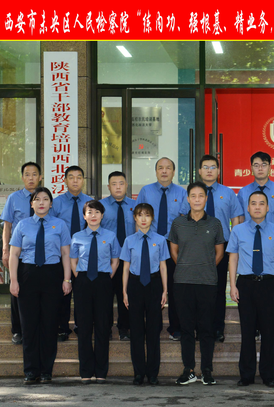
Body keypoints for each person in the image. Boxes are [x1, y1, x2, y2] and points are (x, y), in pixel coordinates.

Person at [8, 187, 72, 384]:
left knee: (49, 324)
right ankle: (30, 371)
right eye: (37, 199)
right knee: (29, 326)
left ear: (51, 204)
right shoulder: (22, 225)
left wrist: (67, 279)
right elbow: (14, 255)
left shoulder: (60, 225)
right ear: (32, 204)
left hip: (53, 275)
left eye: (45, 199)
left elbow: (66, 254)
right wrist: (13, 280)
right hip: (28, 275)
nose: (41, 202)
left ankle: (46, 371)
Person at [228, 191, 274, 388]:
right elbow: (233, 258)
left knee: (268, 332)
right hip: (245, 284)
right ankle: (246, 375)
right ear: (247, 208)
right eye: (253, 203)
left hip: (268, 284)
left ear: (267, 207)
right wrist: (232, 285)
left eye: (261, 203)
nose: (257, 207)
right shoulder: (238, 230)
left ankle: (268, 375)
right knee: (247, 332)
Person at [169, 181, 225, 386]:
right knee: (186, 328)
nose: (197, 199)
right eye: (193, 196)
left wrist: (205, 266)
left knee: (206, 328)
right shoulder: (178, 223)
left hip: (207, 282)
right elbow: (173, 250)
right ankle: (189, 370)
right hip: (183, 282)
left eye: (201, 196)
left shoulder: (215, 223)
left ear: (206, 199)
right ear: (188, 199)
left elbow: (219, 252)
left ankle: (207, 370)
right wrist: (187, 266)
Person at [136, 157, 190, 341]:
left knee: (174, 287)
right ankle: (153, 328)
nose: (164, 171)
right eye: (160, 168)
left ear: (173, 172)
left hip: (173, 244)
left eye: (168, 168)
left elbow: (185, 221)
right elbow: (138, 219)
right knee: (151, 285)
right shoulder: (146, 191)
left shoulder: (182, 193)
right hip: (149, 243)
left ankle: (176, 328)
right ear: (156, 171)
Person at [70, 200, 121, 384]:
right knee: (84, 328)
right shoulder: (77, 236)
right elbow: (73, 260)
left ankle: (101, 371)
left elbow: (115, 260)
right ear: (84, 216)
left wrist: (107, 277)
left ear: (102, 215)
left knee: (102, 326)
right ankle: (85, 371)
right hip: (83, 281)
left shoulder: (111, 236)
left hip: (103, 281)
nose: (93, 215)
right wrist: (79, 277)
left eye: (97, 212)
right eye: (89, 212)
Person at [121, 203, 169, 386]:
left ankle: (153, 373)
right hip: (135, 285)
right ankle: (139, 373)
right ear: (135, 218)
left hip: (154, 284)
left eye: (147, 215)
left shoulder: (160, 240)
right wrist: (124, 291)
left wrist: (165, 290)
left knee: (153, 330)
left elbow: (163, 266)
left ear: (152, 218)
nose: (143, 219)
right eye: (140, 215)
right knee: (136, 330)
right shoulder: (129, 241)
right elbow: (125, 268)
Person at [198, 155, 243, 343]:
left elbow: (236, 221)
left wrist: (233, 246)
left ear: (218, 171)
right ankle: (200, 328)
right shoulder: (194, 192)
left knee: (218, 289)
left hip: (221, 246)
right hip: (197, 247)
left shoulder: (228, 193)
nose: (209, 170)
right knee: (198, 290)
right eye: (205, 167)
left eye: (213, 167)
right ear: (199, 171)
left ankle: (217, 328)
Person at [1, 162, 43, 346]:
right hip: (18, 252)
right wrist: (5, 250)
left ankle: (37, 328)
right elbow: (7, 225)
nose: (31, 178)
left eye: (34, 174)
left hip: (40, 253)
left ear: (40, 177)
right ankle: (17, 330)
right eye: (27, 174)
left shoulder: (45, 197)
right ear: (22, 177)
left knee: (38, 291)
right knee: (16, 290)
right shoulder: (14, 198)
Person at [51, 165, 92, 342]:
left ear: (83, 180)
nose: (75, 181)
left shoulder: (90, 202)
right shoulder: (57, 202)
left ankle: (82, 325)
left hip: (85, 254)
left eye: (79, 177)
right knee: (63, 292)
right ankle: (62, 327)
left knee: (83, 292)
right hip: (62, 253)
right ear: (65, 180)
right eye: (71, 177)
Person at [100, 171, 136, 341]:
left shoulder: (136, 205)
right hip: (107, 258)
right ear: (108, 187)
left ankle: (124, 328)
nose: (118, 187)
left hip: (129, 258)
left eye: (121, 183)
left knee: (126, 294)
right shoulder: (100, 206)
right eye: (114, 184)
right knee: (105, 295)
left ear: (126, 185)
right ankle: (105, 328)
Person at [237, 151, 274, 240]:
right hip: (249, 240)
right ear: (251, 168)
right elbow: (240, 220)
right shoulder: (243, 192)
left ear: (270, 167)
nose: (260, 168)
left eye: (264, 165)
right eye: (256, 165)